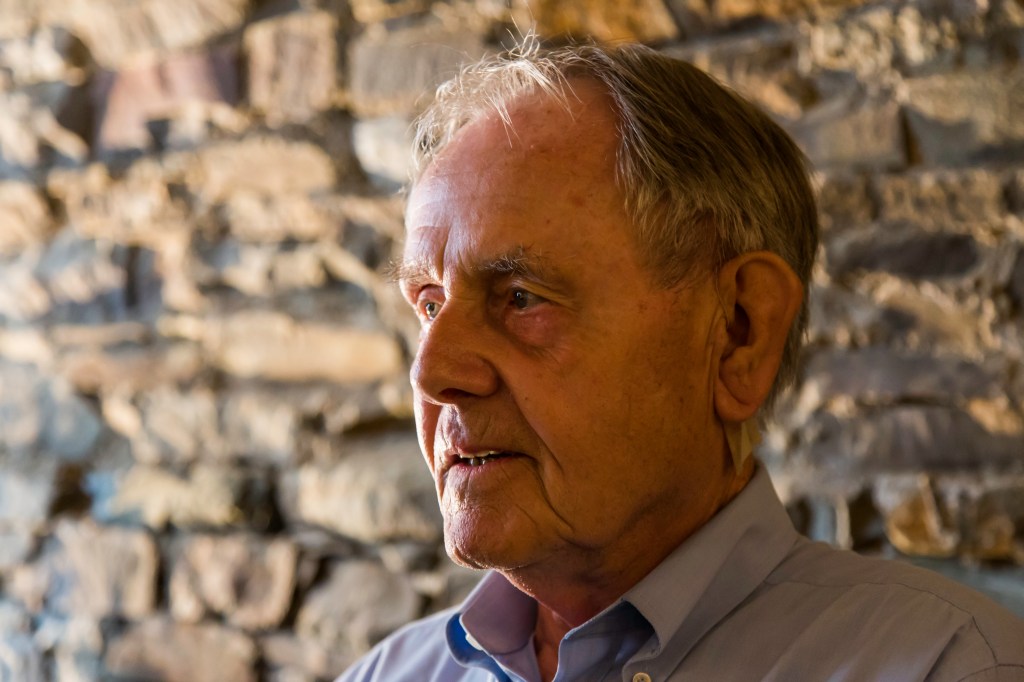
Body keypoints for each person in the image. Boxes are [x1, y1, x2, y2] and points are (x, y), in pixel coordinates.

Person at [339, 40, 1024, 682]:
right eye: (430, 304)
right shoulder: (388, 673)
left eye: (522, 297)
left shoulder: (950, 666)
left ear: (739, 332)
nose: (431, 374)